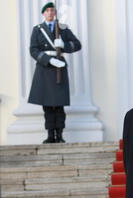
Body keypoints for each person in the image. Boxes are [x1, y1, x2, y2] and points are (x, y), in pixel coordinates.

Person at [28, 2, 82, 144]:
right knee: (47, 105)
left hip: (59, 69)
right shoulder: (38, 30)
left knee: (59, 104)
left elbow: (77, 44)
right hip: (45, 69)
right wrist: (48, 60)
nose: (50, 13)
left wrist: (64, 45)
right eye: (48, 11)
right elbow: (33, 50)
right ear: (43, 13)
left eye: (52, 10)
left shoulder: (62, 29)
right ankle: (50, 135)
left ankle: (60, 134)